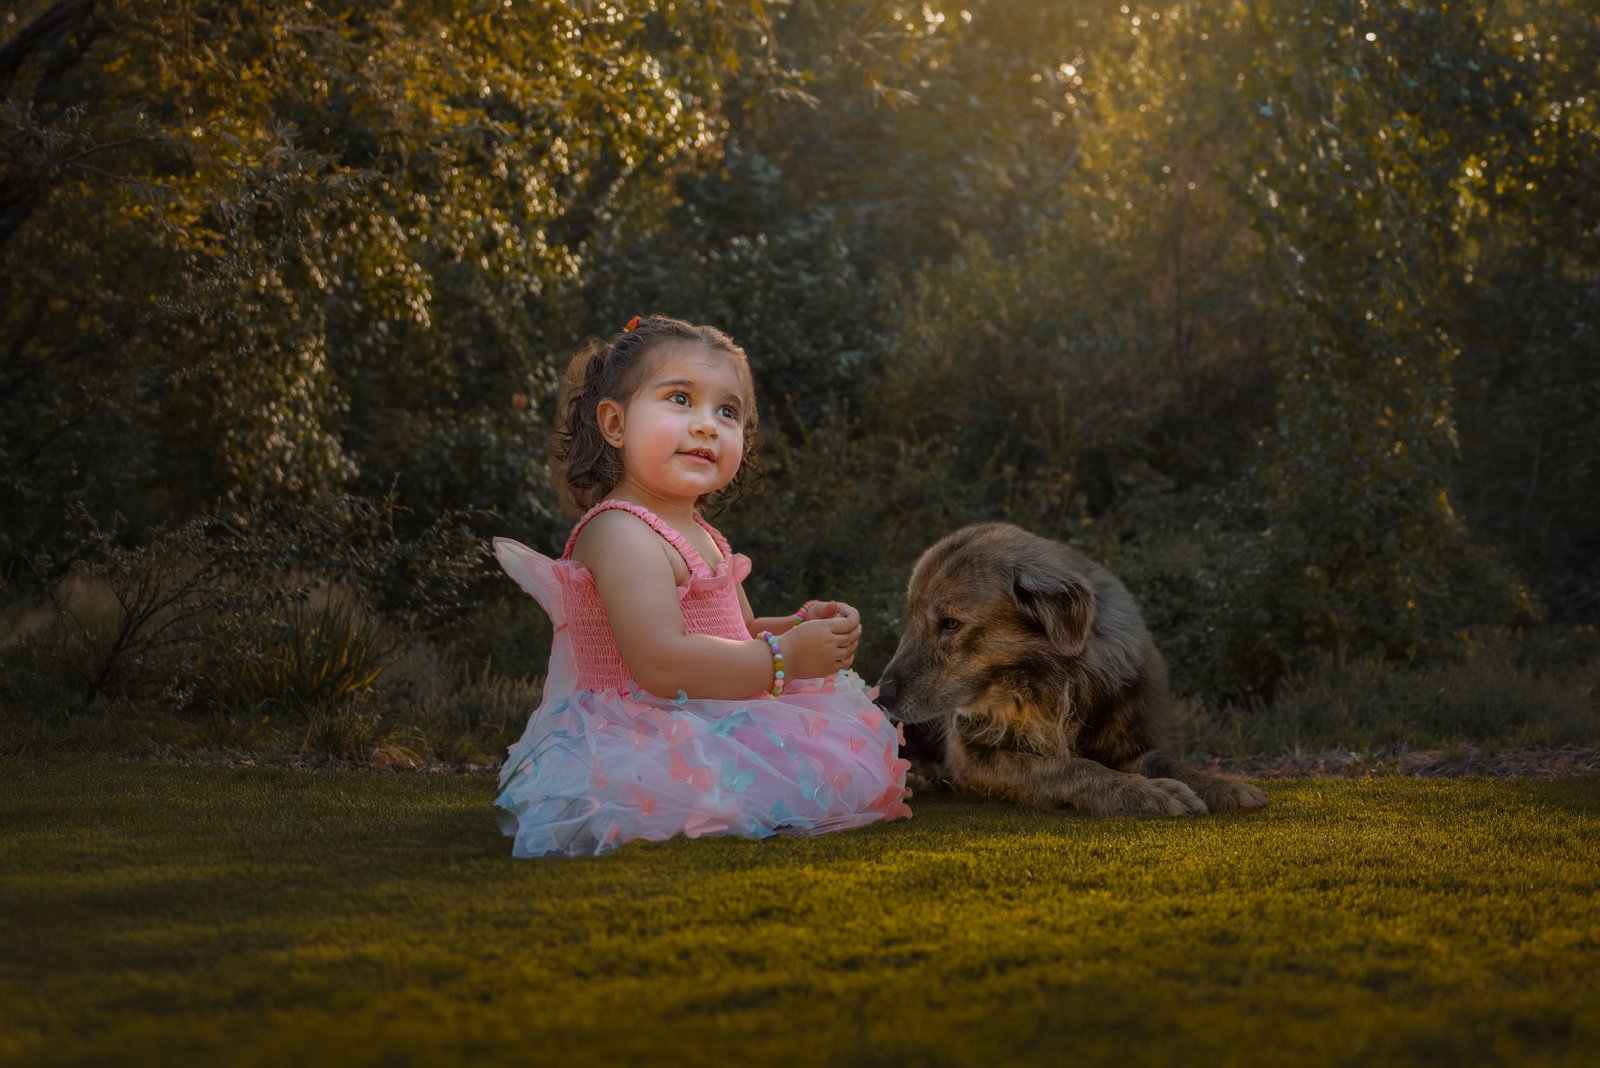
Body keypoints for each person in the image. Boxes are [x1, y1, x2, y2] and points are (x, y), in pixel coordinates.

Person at [492, 315, 912, 857]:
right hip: (641, 733)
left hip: (707, 709)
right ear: (615, 425)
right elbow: (663, 663)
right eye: (680, 399)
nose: (708, 424)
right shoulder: (620, 530)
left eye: (728, 411)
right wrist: (784, 657)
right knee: (713, 784)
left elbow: (738, 632)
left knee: (792, 762)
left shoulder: (705, 535)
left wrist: (800, 630)